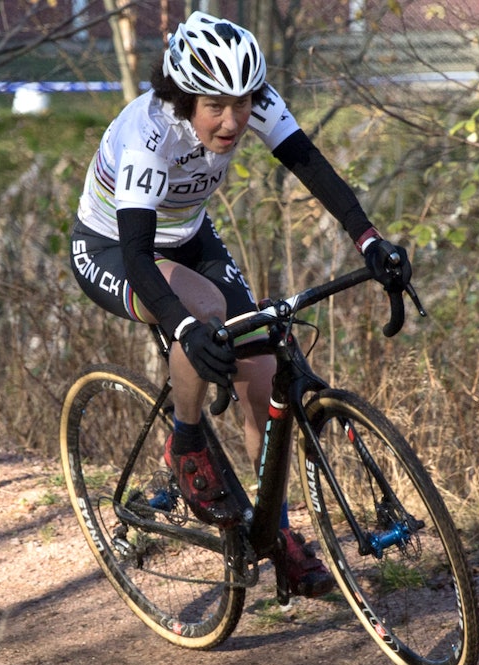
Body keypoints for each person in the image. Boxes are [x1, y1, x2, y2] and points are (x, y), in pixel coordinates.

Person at [70, 11, 412, 598]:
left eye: (243, 104)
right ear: (183, 99)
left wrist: (369, 239)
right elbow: (137, 255)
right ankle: (185, 441)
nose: (232, 122)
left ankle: (274, 535)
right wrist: (184, 324)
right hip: (111, 247)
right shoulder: (147, 136)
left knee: (261, 369)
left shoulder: (249, 103)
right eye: (215, 107)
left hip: (188, 235)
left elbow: (308, 163)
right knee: (201, 309)